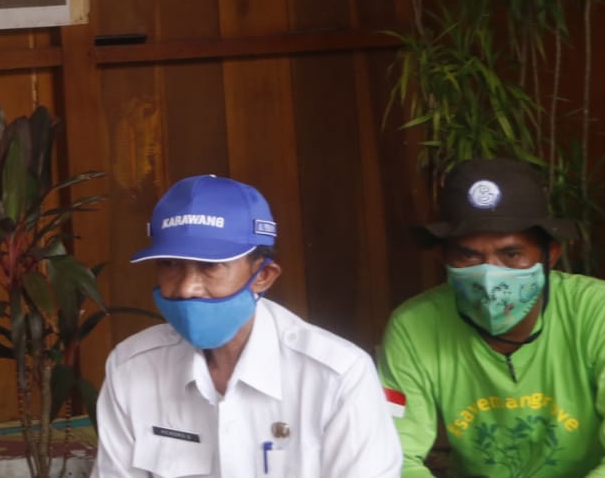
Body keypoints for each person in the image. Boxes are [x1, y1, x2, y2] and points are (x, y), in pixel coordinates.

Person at [94, 174, 402, 477]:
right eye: (170, 264)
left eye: (210, 266)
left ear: (264, 276)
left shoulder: (337, 376)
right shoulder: (131, 368)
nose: (187, 287)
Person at [379, 157, 605, 477]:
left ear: (550, 255)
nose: (490, 275)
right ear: (444, 257)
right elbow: (394, 457)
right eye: (468, 255)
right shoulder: (414, 326)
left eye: (511, 254)